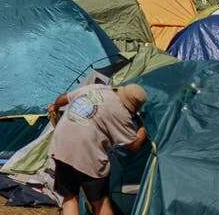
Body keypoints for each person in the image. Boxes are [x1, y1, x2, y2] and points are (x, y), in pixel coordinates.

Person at [48, 84, 149, 215]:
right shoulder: (122, 114)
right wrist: (146, 127)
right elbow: (134, 145)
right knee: (101, 203)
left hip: (61, 146)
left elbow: (63, 98)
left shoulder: (96, 87)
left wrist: (55, 107)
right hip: (87, 154)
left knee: (70, 197)